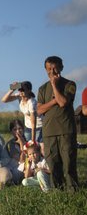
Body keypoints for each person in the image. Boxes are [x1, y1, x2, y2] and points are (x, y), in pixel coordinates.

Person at [37, 56, 78, 191]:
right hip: (49, 132)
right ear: (45, 69)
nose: (52, 71)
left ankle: (73, 193)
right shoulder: (42, 89)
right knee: (53, 166)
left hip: (66, 131)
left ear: (61, 68)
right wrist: (53, 102)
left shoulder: (70, 84)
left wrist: (54, 85)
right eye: (49, 69)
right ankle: (58, 194)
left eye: (54, 68)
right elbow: (39, 110)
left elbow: (63, 102)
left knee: (68, 166)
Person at [1, 81, 43, 147]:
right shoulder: (19, 96)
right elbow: (4, 100)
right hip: (28, 126)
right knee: (26, 146)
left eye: (22, 90)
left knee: (35, 146)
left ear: (28, 91)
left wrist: (33, 140)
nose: (20, 91)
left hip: (38, 127)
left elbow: (33, 122)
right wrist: (12, 90)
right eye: (19, 89)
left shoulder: (32, 103)